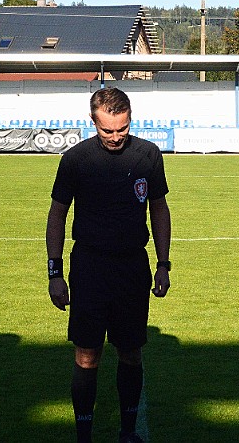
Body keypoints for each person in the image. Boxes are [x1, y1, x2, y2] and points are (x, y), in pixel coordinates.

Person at [46, 87, 171, 443]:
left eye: (122, 129)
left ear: (130, 120)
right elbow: (57, 213)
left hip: (133, 267)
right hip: (89, 267)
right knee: (87, 355)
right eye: (107, 131)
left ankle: (128, 431)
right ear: (93, 123)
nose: (115, 137)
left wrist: (164, 264)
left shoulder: (148, 155)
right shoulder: (76, 160)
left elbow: (159, 208)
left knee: (131, 352)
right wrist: (55, 272)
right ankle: (83, 434)